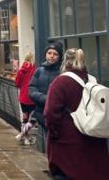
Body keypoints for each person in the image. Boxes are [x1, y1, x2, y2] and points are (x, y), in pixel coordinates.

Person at [45, 48, 109, 180]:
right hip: (94, 139)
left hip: (68, 144)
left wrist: (54, 134)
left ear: (65, 61)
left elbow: (50, 113)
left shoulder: (60, 82)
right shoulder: (92, 80)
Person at [28, 42, 63, 139]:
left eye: (55, 54)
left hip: (58, 114)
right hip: (41, 113)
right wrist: (46, 99)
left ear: (60, 57)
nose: (51, 56)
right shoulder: (39, 71)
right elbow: (31, 89)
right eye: (49, 53)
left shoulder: (63, 72)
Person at [14, 51, 37, 145]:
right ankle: (23, 135)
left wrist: (23, 87)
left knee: (25, 119)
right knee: (34, 119)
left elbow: (17, 84)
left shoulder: (20, 70)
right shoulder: (35, 69)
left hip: (23, 98)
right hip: (32, 98)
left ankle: (25, 137)